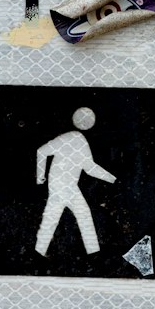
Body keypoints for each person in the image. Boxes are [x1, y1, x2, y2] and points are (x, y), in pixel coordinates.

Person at [35, 106, 116, 257]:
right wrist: (40, 178)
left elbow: (90, 168)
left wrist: (113, 179)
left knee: (74, 216)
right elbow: (41, 151)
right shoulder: (70, 138)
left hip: (68, 186)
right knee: (59, 218)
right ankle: (39, 252)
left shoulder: (80, 140)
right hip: (60, 186)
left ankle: (93, 254)